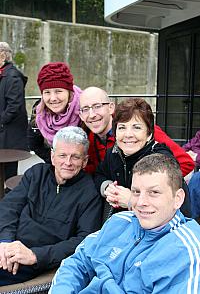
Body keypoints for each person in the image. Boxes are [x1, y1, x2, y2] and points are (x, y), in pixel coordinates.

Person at [49, 153, 200, 294]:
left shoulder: (185, 250)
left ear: (178, 198)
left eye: (154, 192)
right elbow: (78, 262)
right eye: (136, 192)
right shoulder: (120, 222)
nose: (141, 202)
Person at [0, 126, 102, 286]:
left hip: (35, 259)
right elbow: (9, 206)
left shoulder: (89, 192)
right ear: (53, 157)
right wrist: (5, 241)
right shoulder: (36, 174)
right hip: (8, 245)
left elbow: (84, 240)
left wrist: (35, 255)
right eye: (62, 155)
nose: (68, 163)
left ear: (84, 161)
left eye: (75, 157)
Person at [94, 98, 190, 217]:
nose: (128, 134)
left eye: (137, 127)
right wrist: (107, 187)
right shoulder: (113, 153)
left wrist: (131, 200)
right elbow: (99, 174)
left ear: (149, 134)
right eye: (122, 127)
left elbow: (173, 209)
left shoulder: (161, 160)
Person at [79, 86, 194, 176]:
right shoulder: (87, 139)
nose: (92, 115)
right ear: (80, 115)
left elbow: (186, 163)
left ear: (111, 107)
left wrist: (141, 190)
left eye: (97, 106)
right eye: (85, 109)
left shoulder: (141, 130)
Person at [27, 62, 82, 163]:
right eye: (47, 92)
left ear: (69, 92)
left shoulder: (84, 107)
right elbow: (34, 143)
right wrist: (56, 162)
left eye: (58, 91)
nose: (53, 98)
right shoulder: (38, 110)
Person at [0, 42, 28, 180]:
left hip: (9, 136)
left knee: (9, 173)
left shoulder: (12, 76)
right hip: (4, 133)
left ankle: (8, 198)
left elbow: (14, 106)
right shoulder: (5, 75)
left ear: (3, 56)